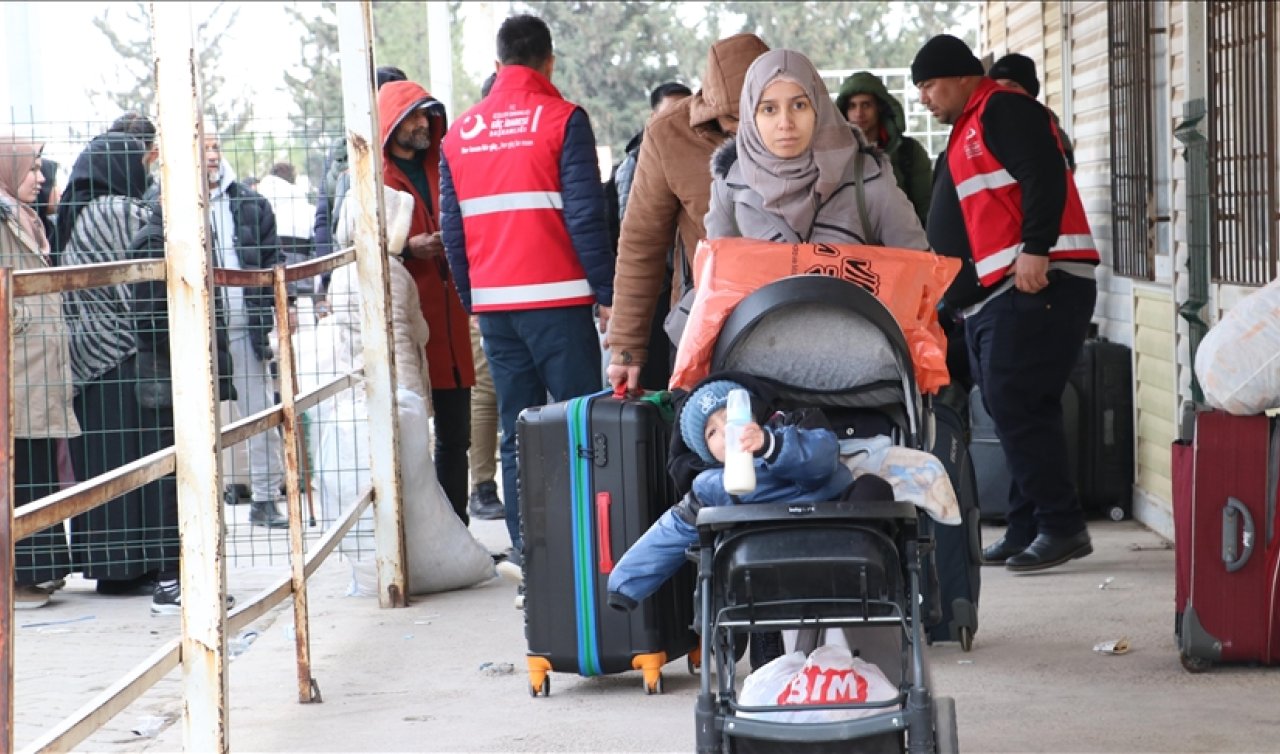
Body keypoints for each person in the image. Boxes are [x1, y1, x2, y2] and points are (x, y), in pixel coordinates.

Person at [913, 34, 1098, 572]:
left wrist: (1036, 248)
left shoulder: (1003, 108)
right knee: (1017, 407)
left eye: (928, 84)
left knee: (1015, 402)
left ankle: (1061, 525)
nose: (924, 98)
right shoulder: (970, 125)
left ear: (960, 75)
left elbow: (1042, 171)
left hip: (1038, 281)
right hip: (996, 294)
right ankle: (1026, 527)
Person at [440, 13, 614, 567]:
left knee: (517, 431)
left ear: (498, 64)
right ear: (549, 61)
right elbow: (586, 217)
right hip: (560, 302)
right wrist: (607, 291)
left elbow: (452, 229)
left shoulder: (459, 134)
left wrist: (474, 297)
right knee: (579, 425)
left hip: (497, 307)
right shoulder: (563, 120)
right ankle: (583, 548)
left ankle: (531, 555)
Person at [607, 377, 863, 611]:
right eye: (712, 432)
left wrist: (769, 445)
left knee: (871, 489)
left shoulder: (790, 433)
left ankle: (874, 580)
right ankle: (766, 644)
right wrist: (624, 583)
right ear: (706, 453)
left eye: (731, 417)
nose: (726, 431)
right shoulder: (711, 487)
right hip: (764, 564)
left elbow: (822, 459)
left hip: (831, 538)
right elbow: (672, 531)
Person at [605, 33, 769, 394]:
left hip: (792, 316)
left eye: (758, 113)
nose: (745, 130)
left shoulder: (804, 117)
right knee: (707, 435)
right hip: (704, 323)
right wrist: (627, 351)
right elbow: (640, 243)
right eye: (731, 119)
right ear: (710, 105)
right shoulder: (669, 134)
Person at [56, 132, 167, 595]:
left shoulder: (80, 211)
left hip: (88, 358)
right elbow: (135, 288)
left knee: (106, 466)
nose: (148, 170)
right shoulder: (116, 211)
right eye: (143, 162)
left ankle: (113, 567)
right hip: (120, 356)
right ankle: (131, 569)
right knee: (134, 465)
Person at [130, 196, 238, 614]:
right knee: (170, 484)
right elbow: (149, 320)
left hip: (188, 378)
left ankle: (191, 577)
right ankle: (169, 582)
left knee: (193, 479)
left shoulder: (187, 233)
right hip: (168, 382)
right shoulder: (155, 240)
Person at [705, 49, 929, 249]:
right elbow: (716, 283)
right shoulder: (730, 188)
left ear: (818, 109)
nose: (785, 122)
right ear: (751, 117)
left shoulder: (868, 180)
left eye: (799, 105)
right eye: (769, 109)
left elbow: (922, 277)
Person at [377, 79, 476, 525]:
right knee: (411, 438)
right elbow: (356, 249)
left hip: (453, 325)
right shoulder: (373, 178)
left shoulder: (447, 167)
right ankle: (414, 534)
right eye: (413, 116)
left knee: (457, 439)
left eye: (426, 116)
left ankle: (457, 529)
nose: (423, 124)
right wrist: (406, 249)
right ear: (390, 123)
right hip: (406, 327)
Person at [0, 136, 81, 608]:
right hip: (17, 363)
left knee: (36, 465)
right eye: (31, 169)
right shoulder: (4, 220)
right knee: (20, 468)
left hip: (38, 364)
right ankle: (24, 575)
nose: (41, 178)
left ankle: (41, 571)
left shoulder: (28, 219)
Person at [204, 132, 289, 528]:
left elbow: (274, 262)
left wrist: (267, 315)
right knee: (197, 422)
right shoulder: (165, 205)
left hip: (244, 329)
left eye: (215, 147)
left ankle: (265, 498)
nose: (212, 155)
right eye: (202, 147)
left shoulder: (251, 204)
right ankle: (202, 505)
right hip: (195, 332)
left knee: (260, 415)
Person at [606, 81, 692, 390]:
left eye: (687, 113)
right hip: (657, 287)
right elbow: (638, 239)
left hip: (687, 289)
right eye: (670, 115)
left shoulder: (702, 153)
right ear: (652, 118)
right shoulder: (635, 163)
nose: (678, 123)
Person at [834, 71, 933, 226]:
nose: (859, 113)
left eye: (866, 105)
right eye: (852, 106)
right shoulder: (833, 156)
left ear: (879, 107)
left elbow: (927, 211)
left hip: (901, 243)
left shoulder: (908, 152)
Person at [986, 52, 1076, 171]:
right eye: (997, 88)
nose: (1004, 93)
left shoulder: (1052, 132)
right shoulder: (983, 130)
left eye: (1012, 86)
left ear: (1030, 93)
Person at [256, 162, 317, 295]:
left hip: (270, 291)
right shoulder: (308, 210)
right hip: (304, 291)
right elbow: (315, 252)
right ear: (293, 180)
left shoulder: (258, 207)